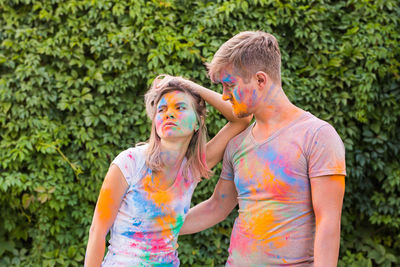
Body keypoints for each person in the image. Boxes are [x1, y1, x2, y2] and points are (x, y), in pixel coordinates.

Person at [170, 31, 346, 266]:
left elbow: (328, 223)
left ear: (260, 80)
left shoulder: (317, 136)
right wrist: (159, 225)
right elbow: (216, 207)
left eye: (229, 85)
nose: (224, 96)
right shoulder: (237, 144)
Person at [84, 75, 251, 266]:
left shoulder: (192, 168)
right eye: (161, 110)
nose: (169, 114)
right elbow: (97, 231)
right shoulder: (130, 163)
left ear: (198, 123)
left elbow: (242, 118)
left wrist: (188, 85)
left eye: (180, 108)